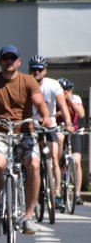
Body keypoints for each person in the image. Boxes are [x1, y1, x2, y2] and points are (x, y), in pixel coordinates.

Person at [0, 45, 52, 234]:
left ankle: (27, 216)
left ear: (19, 61)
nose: (9, 61)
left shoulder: (28, 81)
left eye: (13, 58)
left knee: (33, 164)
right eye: (5, 57)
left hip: (25, 131)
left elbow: (39, 101)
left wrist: (45, 116)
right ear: (0, 61)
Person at [28, 55, 73, 210]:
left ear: (45, 70)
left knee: (53, 158)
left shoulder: (53, 85)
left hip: (50, 125)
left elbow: (63, 105)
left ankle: (57, 193)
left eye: (39, 69)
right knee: (29, 161)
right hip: (31, 125)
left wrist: (68, 123)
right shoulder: (25, 83)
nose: (36, 72)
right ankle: (28, 191)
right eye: (33, 69)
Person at [57, 78, 85, 205]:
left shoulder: (76, 98)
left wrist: (70, 101)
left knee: (77, 162)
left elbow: (81, 114)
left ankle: (77, 194)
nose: (65, 92)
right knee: (57, 160)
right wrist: (61, 109)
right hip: (60, 131)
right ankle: (57, 189)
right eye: (63, 90)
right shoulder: (56, 99)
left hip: (73, 132)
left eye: (67, 90)